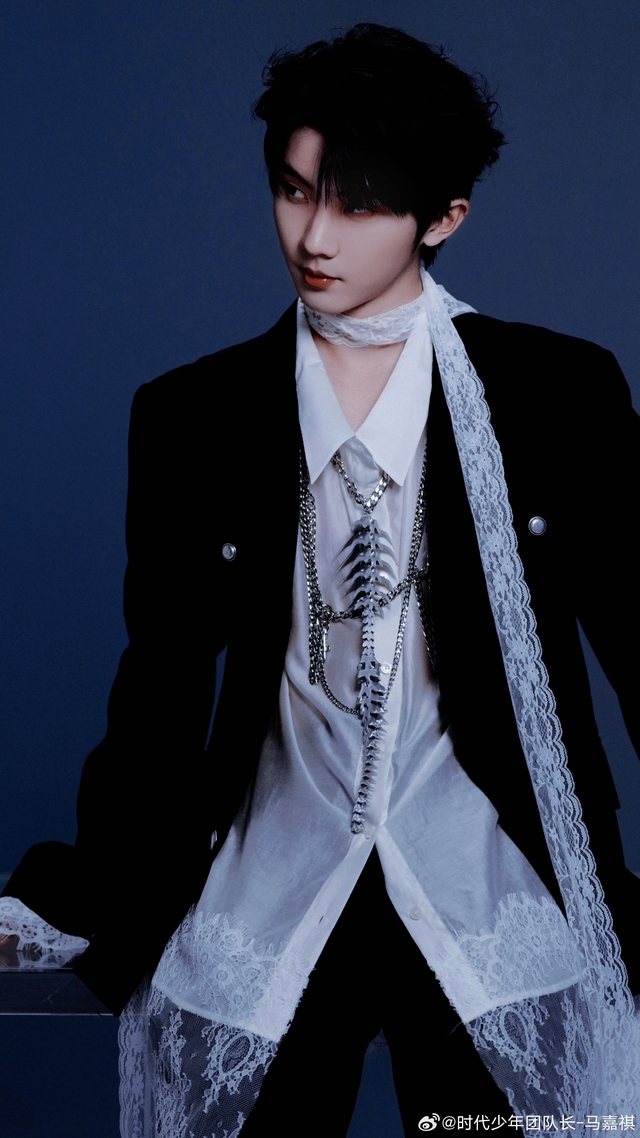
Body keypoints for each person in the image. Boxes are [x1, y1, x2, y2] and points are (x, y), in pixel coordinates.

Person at [2, 22, 640, 1136]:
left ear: (444, 219)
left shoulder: (556, 394)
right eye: (294, 191)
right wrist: (81, 890)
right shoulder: (192, 415)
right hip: (273, 875)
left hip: (491, 876)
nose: (312, 235)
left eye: (357, 204)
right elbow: (159, 688)